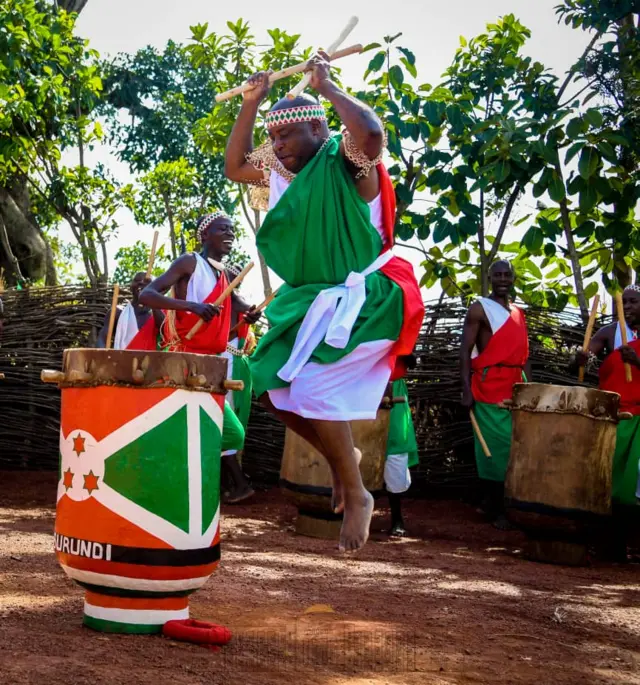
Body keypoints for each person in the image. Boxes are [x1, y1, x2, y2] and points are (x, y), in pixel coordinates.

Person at [224, 54, 424, 551]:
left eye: (286, 137)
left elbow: (374, 136)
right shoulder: (282, 167)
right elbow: (235, 167)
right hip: (310, 300)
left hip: (370, 297)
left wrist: (328, 86)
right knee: (271, 388)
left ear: (318, 127)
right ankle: (346, 461)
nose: (278, 148)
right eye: (273, 139)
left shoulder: (349, 161)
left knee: (311, 387)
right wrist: (251, 104)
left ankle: (357, 494)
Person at [139, 212, 262, 463]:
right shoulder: (189, 262)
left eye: (232, 230)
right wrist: (192, 306)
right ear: (205, 234)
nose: (231, 234)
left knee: (231, 435)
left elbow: (236, 302)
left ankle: (178, 467)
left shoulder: (224, 274)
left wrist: (250, 313)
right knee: (221, 432)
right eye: (223, 229)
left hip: (212, 367)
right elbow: (147, 295)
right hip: (186, 363)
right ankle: (164, 466)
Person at [460, 260, 530, 528]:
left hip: (515, 383)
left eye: (507, 274)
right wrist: (466, 389)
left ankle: (496, 504)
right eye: (497, 274)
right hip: (489, 384)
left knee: (514, 445)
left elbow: (524, 356)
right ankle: (497, 507)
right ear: (489, 278)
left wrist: (529, 389)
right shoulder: (479, 309)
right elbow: (465, 350)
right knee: (495, 448)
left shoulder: (518, 312)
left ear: (513, 278)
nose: (502, 278)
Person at [574, 284, 640, 557]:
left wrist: (637, 360)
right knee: (609, 479)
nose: (627, 307)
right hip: (614, 416)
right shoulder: (610, 333)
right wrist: (579, 358)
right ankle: (612, 544)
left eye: (633, 302)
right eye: (623, 302)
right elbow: (582, 358)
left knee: (634, 481)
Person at [220, 268, 258, 504]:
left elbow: (249, 309)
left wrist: (250, 312)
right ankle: (227, 485)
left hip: (230, 365)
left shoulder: (231, 298)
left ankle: (240, 484)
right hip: (227, 362)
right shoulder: (222, 301)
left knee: (223, 424)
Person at [384, 374, 419, 537]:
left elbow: (409, 359)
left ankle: (397, 519)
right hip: (365, 381)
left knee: (395, 451)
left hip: (393, 386)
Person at [97, 272, 163, 350]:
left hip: (149, 361)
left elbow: (164, 330)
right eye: (137, 280)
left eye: (147, 283)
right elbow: (102, 338)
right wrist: (103, 356)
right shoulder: (117, 312)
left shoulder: (157, 314)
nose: (141, 282)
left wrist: (152, 297)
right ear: (130, 287)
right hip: (122, 360)